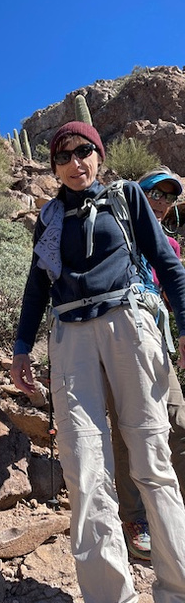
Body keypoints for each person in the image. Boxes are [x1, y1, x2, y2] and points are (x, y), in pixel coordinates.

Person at [11, 121, 185, 603]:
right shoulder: (49, 220)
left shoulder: (127, 198)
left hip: (128, 324)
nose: (74, 162)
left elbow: (169, 267)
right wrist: (23, 349)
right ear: (54, 168)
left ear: (99, 155)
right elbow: (36, 289)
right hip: (70, 337)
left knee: (152, 461)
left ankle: (178, 594)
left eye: (83, 151)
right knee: (85, 470)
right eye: (63, 156)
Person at [111, 166, 185, 561]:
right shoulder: (117, 229)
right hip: (120, 333)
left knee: (178, 420)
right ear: (139, 194)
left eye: (170, 197)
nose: (162, 202)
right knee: (127, 426)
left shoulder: (170, 246)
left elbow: (173, 285)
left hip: (156, 336)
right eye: (156, 193)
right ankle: (134, 517)